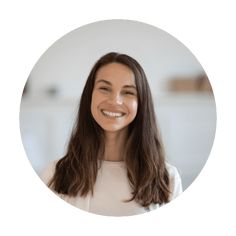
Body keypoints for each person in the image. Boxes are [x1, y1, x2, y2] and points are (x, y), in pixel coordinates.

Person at [40, 52, 182, 216]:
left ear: (141, 104)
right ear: (90, 96)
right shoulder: (54, 175)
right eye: (105, 88)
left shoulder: (168, 180)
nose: (115, 100)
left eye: (128, 92)